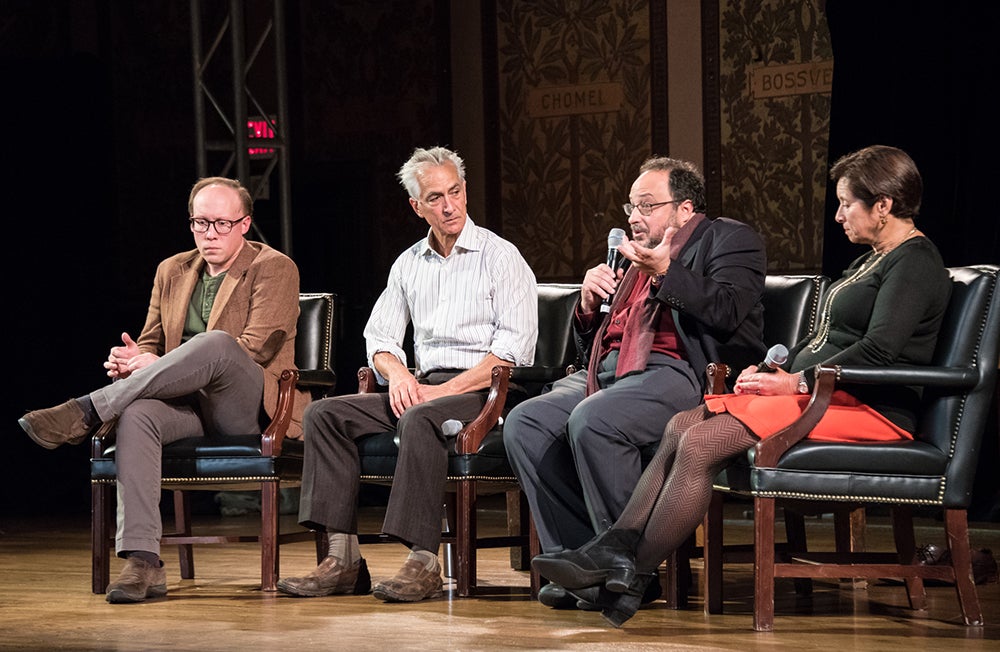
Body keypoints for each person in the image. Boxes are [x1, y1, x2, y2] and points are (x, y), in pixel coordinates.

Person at [531, 144, 952, 626]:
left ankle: (631, 567)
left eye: (846, 204)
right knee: (681, 427)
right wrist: (777, 374)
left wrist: (796, 381)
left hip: (865, 408)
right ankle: (618, 556)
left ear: (883, 205)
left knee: (699, 443)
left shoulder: (915, 262)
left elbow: (879, 350)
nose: (837, 216)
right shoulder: (872, 260)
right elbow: (828, 341)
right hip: (823, 395)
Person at [18, 176, 307, 603]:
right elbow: (152, 341)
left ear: (245, 224)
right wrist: (133, 359)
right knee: (137, 414)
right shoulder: (172, 270)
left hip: (246, 405)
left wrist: (153, 367)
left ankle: (86, 411)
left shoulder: (274, 267)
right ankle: (143, 562)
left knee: (218, 344)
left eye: (221, 224)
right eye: (200, 223)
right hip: (185, 405)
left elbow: (254, 348)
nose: (209, 233)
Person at [503, 156, 768, 610]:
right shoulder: (632, 259)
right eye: (631, 206)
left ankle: (629, 569)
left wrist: (665, 271)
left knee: (597, 420)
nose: (633, 216)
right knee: (526, 423)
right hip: (611, 372)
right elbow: (600, 341)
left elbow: (727, 309)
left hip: (682, 372)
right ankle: (583, 566)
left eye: (647, 205)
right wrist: (587, 306)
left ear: (685, 209)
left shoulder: (729, 239)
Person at [276, 146, 538, 603]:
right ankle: (343, 560)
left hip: (484, 390)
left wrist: (440, 391)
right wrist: (399, 376)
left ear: (465, 192)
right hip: (422, 383)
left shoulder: (501, 257)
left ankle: (424, 562)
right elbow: (379, 337)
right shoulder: (409, 263)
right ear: (417, 207)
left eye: (455, 192)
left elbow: (511, 353)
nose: (449, 205)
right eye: (435, 197)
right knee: (325, 415)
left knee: (420, 418)